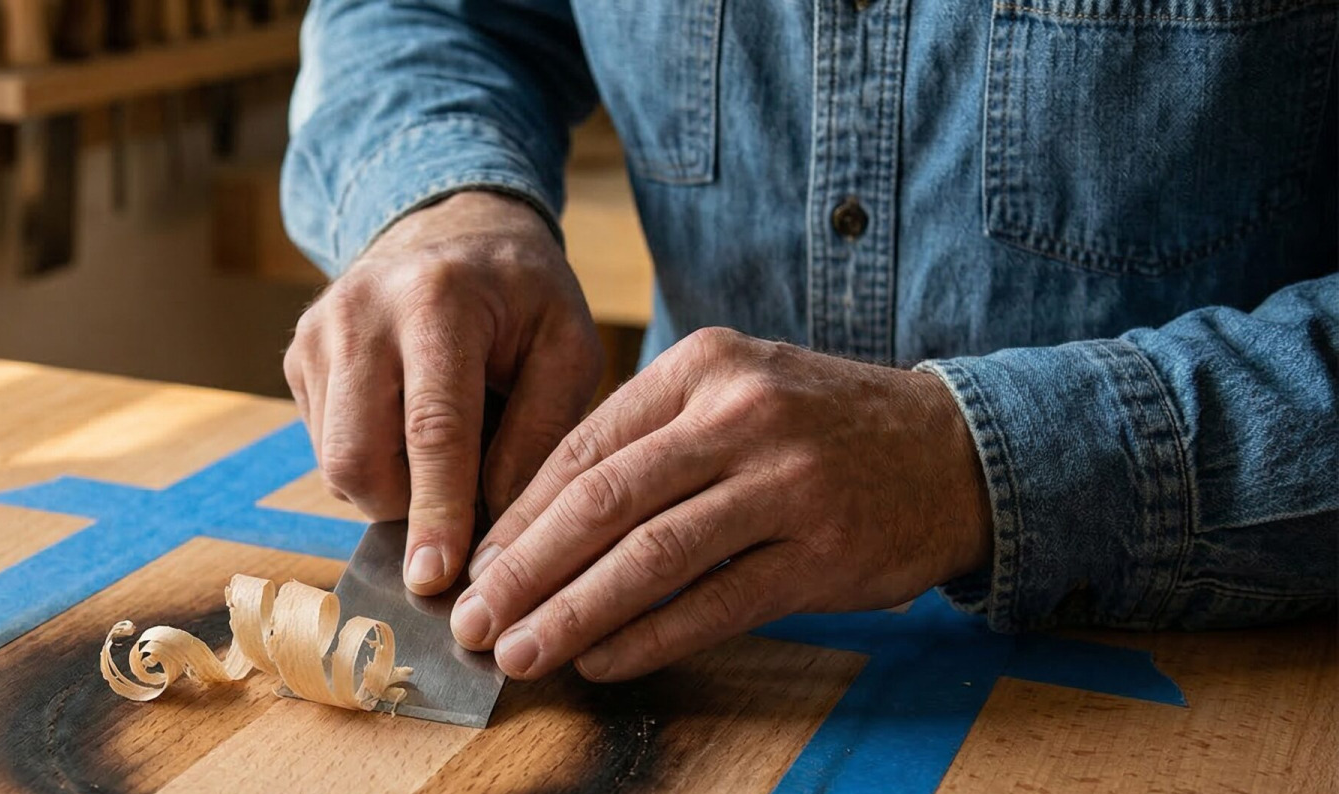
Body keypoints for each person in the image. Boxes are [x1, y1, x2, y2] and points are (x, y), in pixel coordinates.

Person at [277, 0, 1338, 683]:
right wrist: (442, 199)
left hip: (1224, 677)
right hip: (689, 655)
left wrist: (973, 461)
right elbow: (430, 15)